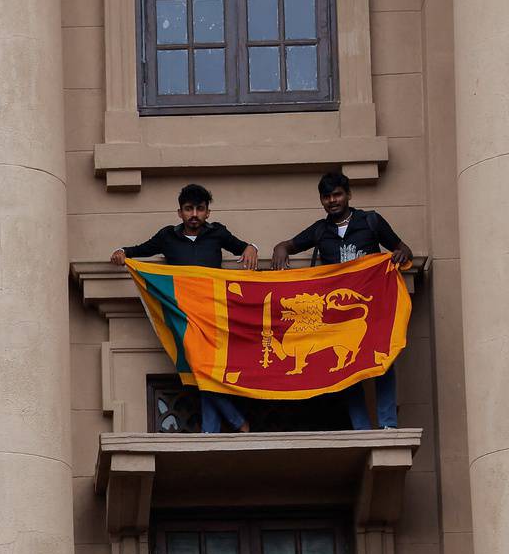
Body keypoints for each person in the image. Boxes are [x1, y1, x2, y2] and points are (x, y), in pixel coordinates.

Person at [270, 170, 413, 429]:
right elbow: (286, 245)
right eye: (326, 197)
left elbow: (403, 248)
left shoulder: (371, 221)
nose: (332, 201)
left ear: (348, 195)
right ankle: (361, 428)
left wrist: (400, 255)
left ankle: (388, 424)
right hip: (336, 315)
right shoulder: (319, 230)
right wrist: (280, 252)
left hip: (373, 309)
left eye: (337, 194)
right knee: (345, 369)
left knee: (383, 360)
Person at [113, 182, 259, 432]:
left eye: (200, 209)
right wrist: (122, 252)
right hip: (181, 313)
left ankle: (211, 432)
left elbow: (242, 245)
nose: (194, 215)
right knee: (199, 366)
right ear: (179, 212)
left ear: (207, 212)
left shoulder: (217, 232)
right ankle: (236, 421)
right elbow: (140, 250)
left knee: (205, 368)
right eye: (188, 209)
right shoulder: (167, 236)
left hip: (212, 312)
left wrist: (252, 248)